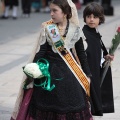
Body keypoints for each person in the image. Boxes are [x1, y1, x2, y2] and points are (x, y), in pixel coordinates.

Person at [10, 0, 93, 120]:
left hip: (70, 75)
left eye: (55, 11)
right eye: (50, 10)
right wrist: (32, 70)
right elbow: (41, 52)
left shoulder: (76, 30)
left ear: (65, 13)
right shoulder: (48, 28)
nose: (51, 14)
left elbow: (81, 54)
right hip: (49, 74)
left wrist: (88, 73)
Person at [82, 2, 114, 116]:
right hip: (88, 73)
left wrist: (105, 56)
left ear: (100, 19)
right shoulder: (84, 34)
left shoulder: (94, 32)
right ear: (84, 18)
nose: (91, 20)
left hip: (94, 70)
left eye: (95, 17)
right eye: (88, 17)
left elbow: (97, 51)